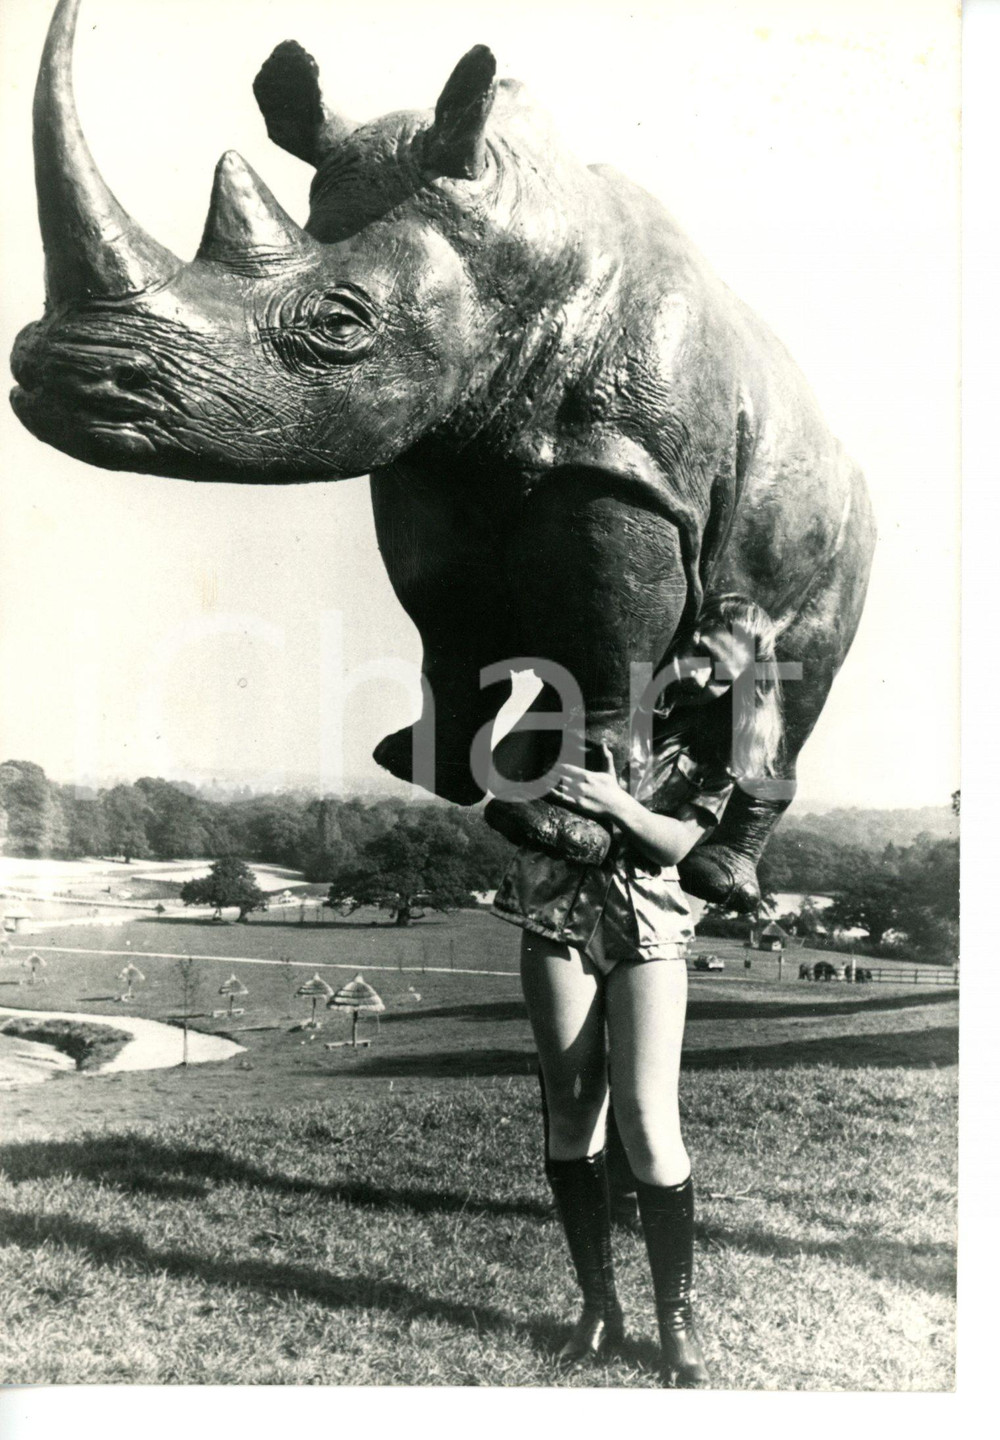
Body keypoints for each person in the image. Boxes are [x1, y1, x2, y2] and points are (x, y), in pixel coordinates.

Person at [492, 593, 784, 1387]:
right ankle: (598, 1307)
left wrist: (617, 805)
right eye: (692, 649)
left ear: (741, 684)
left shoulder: (731, 746)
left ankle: (675, 1318)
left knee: (650, 1118)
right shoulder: (603, 689)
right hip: (556, 915)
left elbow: (686, 847)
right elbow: (514, 775)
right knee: (572, 1108)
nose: (694, 673)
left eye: (717, 672)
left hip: (652, 928)